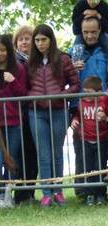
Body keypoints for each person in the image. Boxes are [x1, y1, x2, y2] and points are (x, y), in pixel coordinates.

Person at [27, 24, 81, 207]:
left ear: (51, 40)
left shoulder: (64, 59)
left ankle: (58, 191)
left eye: (43, 39)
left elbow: (75, 84)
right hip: (36, 112)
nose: (40, 44)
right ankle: (46, 193)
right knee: (43, 154)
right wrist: (31, 97)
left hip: (58, 110)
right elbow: (23, 88)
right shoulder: (30, 62)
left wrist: (62, 94)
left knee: (57, 152)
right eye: (37, 40)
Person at [0, 34, 28, 207]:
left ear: (9, 51)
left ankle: (9, 194)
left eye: (3, 50)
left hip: (14, 121)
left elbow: (23, 93)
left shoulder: (19, 69)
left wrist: (13, 81)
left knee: (12, 158)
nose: (0, 53)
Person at [70, 16, 108, 202]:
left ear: (100, 31)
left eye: (93, 32)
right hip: (81, 110)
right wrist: (72, 68)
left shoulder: (105, 52)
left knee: (102, 155)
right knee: (82, 155)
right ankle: (83, 192)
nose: (90, 35)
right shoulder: (74, 52)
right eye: (86, 32)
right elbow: (66, 79)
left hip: (103, 110)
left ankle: (101, 192)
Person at [71, 76, 108, 205]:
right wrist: (75, 120)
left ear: (99, 92)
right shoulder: (82, 102)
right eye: (84, 92)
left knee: (100, 168)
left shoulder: (104, 101)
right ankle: (89, 195)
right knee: (88, 169)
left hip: (101, 140)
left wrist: (104, 117)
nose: (86, 95)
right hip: (85, 140)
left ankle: (101, 195)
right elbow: (78, 115)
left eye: (89, 93)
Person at [12, 25, 38, 204]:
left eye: (27, 38)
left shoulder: (38, 60)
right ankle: (21, 193)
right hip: (19, 113)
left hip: (35, 111)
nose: (24, 42)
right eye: (20, 39)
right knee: (20, 154)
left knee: (33, 153)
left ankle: (30, 192)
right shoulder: (14, 62)